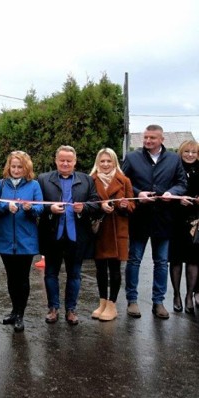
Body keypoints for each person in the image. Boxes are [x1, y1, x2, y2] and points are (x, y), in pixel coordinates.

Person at [122, 124, 187, 319]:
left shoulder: (174, 159)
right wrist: (137, 194)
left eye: (152, 138)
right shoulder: (132, 157)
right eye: (146, 137)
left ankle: (158, 302)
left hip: (164, 219)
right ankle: (132, 301)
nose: (148, 141)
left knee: (161, 263)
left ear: (162, 139)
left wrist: (172, 193)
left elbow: (181, 183)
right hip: (139, 218)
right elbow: (123, 182)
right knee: (134, 261)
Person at [38, 145, 100, 325]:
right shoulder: (43, 180)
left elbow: (96, 202)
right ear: (56, 160)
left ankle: (71, 310)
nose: (65, 163)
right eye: (62, 160)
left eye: (69, 160)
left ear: (75, 161)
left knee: (75, 274)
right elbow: (35, 204)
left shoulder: (86, 180)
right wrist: (49, 208)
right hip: (52, 235)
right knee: (51, 273)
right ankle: (53, 308)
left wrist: (84, 208)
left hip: (76, 236)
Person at [0, 151, 43, 332]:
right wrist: (6, 206)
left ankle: (21, 314)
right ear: (9, 166)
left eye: (19, 167)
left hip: (26, 240)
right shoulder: (0, 184)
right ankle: (14, 310)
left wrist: (30, 208)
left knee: (23, 279)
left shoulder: (34, 185)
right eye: (13, 166)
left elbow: (40, 208)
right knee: (11, 278)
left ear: (26, 168)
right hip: (5, 239)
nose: (16, 170)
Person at [90, 148, 135, 321]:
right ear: (97, 163)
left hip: (117, 230)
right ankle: (102, 302)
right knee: (100, 269)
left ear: (115, 162)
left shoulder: (124, 181)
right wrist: (100, 206)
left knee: (115, 269)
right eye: (102, 161)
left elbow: (132, 206)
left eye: (109, 161)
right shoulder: (91, 180)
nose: (106, 164)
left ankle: (112, 304)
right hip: (99, 231)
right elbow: (88, 203)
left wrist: (124, 206)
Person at [168, 140, 199, 314]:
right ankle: (176, 295)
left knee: (194, 260)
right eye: (186, 151)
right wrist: (178, 199)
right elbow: (167, 189)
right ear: (181, 152)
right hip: (176, 219)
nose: (190, 155)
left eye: (193, 152)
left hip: (196, 221)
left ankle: (189, 295)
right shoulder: (174, 168)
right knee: (176, 259)